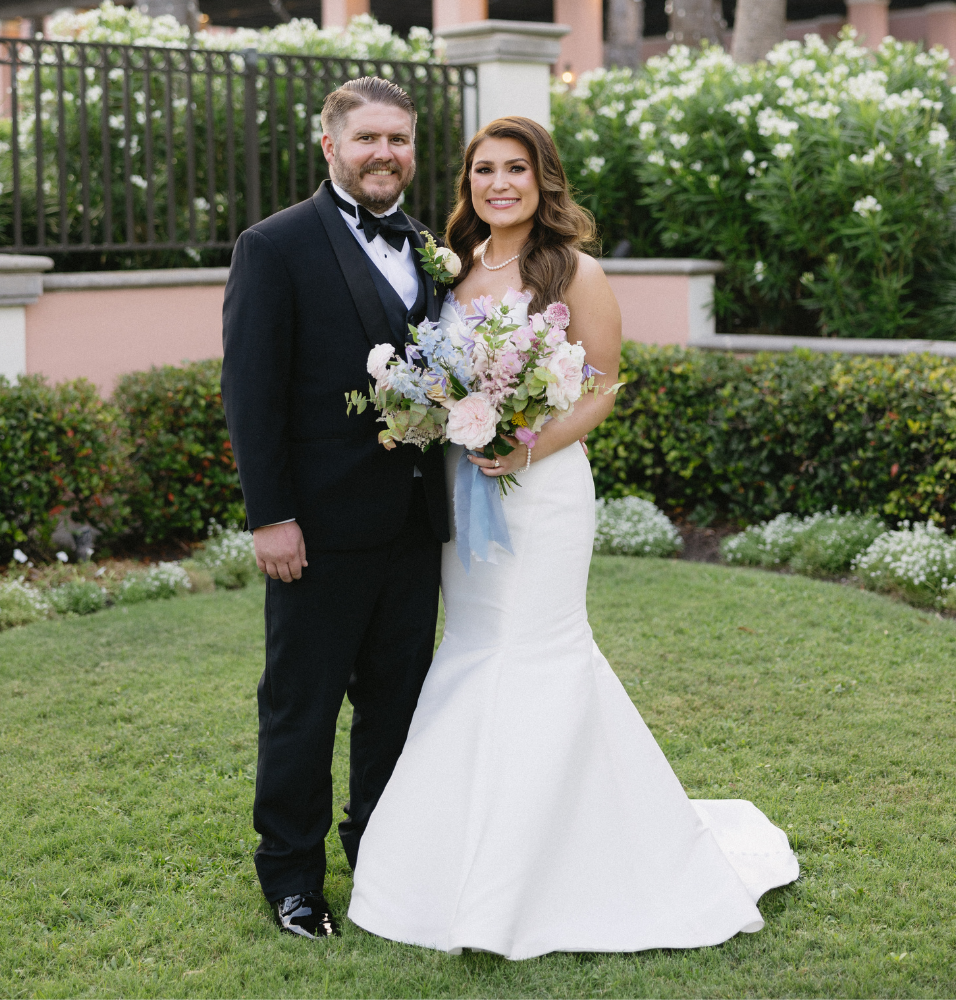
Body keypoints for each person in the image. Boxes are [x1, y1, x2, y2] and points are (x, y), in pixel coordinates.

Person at [348, 116, 799, 959]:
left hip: (543, 489)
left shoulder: (575, 271)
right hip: (463, 486)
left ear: (542, 178)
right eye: (484, 170)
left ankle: (552, 871)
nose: (499, 184)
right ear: (469, 185)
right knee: (474, 649)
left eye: (516, 169)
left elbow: (602, 385)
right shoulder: (447, 270)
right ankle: (445, 863)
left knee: (538, 650)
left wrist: (526, 442)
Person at [220, 77, 450, 938]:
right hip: (314, 531)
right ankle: (291, 879)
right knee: (301, 707)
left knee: (396, 705)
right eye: (367, 140)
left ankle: (381, 859)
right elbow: (251, 392)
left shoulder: (429, 246)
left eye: (398, 139)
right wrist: (270, 515)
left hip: (414, 529)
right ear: (330, 146)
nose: (384, 153)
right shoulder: (273, 247)